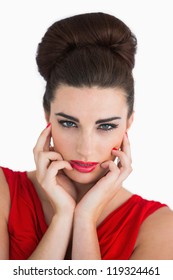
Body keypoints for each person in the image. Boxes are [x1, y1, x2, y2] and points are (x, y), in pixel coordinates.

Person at [0, 12, 173, 260]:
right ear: (47, 117)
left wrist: (84, 219)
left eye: (105, 127)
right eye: (69, 123)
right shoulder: (3, 191)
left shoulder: (160, 227)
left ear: (129, 124)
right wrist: (63, 217)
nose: (85, 149)